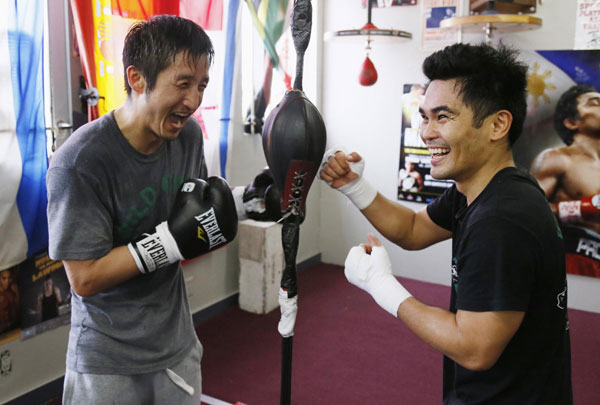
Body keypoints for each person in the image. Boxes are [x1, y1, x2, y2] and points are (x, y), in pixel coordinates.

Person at [320, 43, 572, 403]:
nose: (426, 132)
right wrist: (354, 186)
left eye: (443, 117)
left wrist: (381, 286)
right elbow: (412, 229)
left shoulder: (501, 220)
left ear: (498, 124)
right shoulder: (485, 187)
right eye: (424, 117)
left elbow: (473, 349)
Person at [47, 15, 239, 405]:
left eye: (201, 85)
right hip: (107, 358)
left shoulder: (188, 136)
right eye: (183, 83)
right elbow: (83, 277)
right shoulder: (81, 163)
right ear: (137, 79)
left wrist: (248, 201)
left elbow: (194, 221)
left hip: (176, 344)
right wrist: (167, 243)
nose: (194, 100)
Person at [530, 85, 600, 277]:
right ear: (571, 122)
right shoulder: (558, 159)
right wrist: (581, 209)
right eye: (595, 103)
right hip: (572, 256)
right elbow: (529, 210)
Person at [0, 268, 19, 332]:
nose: (7, 282)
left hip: (13, 327)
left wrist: (17, 293)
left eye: (9, 278)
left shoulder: (11, 292)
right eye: (4, 278)